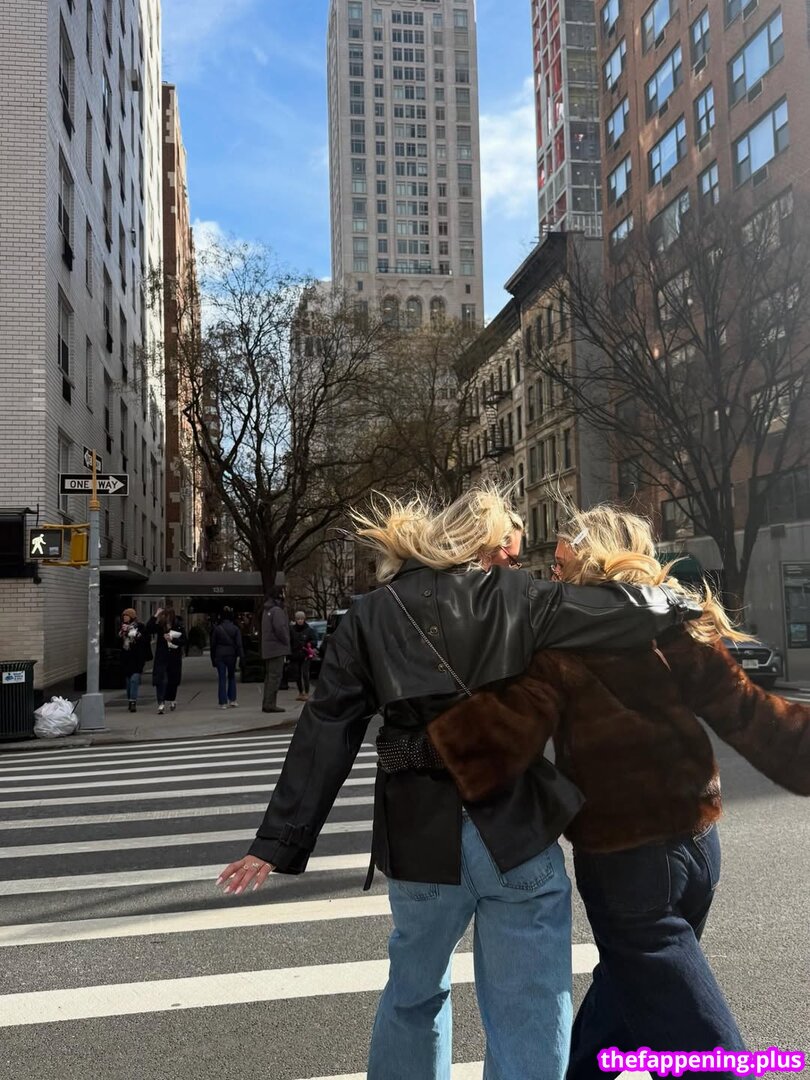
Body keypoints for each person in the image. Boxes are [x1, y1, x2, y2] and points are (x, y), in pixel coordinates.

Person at [216, 484, 700, 1080]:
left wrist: (278, 841)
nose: (514, 562)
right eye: (510, 551)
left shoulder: (370, 614)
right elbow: (628, 613)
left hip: (419, 840)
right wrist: (677, 599)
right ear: (487, 545)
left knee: (414, 996)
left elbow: (326, 729)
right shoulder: (520, 596)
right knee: (529, 1006)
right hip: (515, 831)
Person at [427, 504, 810, 1080]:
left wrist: (417, 738)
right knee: (630, 993)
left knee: (695, 1044)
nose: (553, 578)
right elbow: (755, 718)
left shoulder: (562, 644)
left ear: (592, 562)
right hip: (699, 849)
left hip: (628, 861)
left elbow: (495, 743)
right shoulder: (674, 621)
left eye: (561, 566)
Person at [146, 607, 186, 715]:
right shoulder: (160, 626)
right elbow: (148, 628)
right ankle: (161, 702)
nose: (165, 618)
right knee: (161, 680)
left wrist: (173, 639)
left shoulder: (178, 626)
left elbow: (184, 640)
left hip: (173, 658)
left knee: (172, 681)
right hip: (162, 657)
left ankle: (172, 699)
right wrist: (155, 615)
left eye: (166, 616)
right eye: (163, 615)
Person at [262, 586, 290, 713]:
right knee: (275, 677)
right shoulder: (277, 610)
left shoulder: (267, 610)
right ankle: (270, 704)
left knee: (269, 677)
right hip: (277, 648)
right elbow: (280, 629)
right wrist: (286, 640)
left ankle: (267, 703)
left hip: (268, 649)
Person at [210, 607, 245, 710]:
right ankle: (232, 699)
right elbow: (239, 644)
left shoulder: (217, 629)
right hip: (231, 655)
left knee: (222, 678)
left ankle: (223, 702)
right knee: (231, 676)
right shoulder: (235, 629)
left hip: (219, 655)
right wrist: (242, 656)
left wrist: (213, 658)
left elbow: (213, 645)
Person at [118, 608, 151, 713]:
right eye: (124, 616)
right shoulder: (123, 627)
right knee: (128, 682)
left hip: (137, 657)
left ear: (132, 617)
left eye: (127, 616)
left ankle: (133, 702)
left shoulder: (140, 626)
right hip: (126, 657)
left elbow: (145, 639)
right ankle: (130, 699)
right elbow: (120, 640)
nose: (125, 618)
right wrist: (123, 632)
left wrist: (133, 632)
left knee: (134, 679)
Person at [289, 611, 316, 701]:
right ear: (295, 620)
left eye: (301, 619)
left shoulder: (309, 630)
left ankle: (307, 693)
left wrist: (310, 644)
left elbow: (314, 641)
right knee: (297, 674)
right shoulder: (291, 630)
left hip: (306, 655)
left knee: (305, 673)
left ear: (304, 619)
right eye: (298, 619)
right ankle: (300, 692)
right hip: (295, 655)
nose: (300, 620)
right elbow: (289, 642)